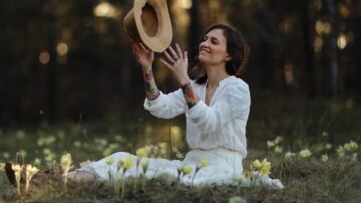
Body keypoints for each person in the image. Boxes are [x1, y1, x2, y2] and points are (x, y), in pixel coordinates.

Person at [75, 23, 267, 186]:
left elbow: (209, 121)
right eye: (204, 39)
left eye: (214, 41)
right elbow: (160, 107)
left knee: (161, 175)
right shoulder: (195, 87)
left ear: (229, 55)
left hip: (224, 167)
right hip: (191, 163)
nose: (204, 44)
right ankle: (67, 178)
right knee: (120, 159)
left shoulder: (238, 89)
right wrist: (147, 69)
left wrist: (183, 80)